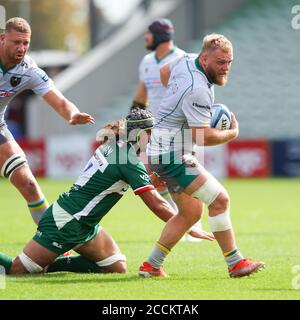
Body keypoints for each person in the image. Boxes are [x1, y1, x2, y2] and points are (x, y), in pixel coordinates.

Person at [0, 108, 214, 275]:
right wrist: (187, 226)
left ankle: (52, 262)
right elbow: (156, 204)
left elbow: (113, 179)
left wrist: (152, 181)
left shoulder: (116, 144)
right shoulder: (128, 159)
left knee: (117, 266)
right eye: (151, 134)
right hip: (67, 221)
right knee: (17, 270)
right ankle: (44, 261)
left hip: (84, 222)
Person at [139, 34, 265, 278]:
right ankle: (235, 263)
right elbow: (202, 137)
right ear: (204, 58)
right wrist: (231, 133)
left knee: (190, 213)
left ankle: (151, 266)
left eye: (229, 62)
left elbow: (164, 72)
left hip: (163, 150)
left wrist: (174, 101)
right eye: (220, 62)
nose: (225, 67)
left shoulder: (185, 58)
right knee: (220, 200)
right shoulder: (197, 90)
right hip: (172, 155)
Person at [0, 17, 95, 226]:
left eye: (25, 43)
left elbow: (60, 101)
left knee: (29, 184)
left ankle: (51, 241)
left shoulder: (28, 70)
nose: (21, 48)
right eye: (16, 42)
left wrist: (73, 113)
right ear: (2, 39)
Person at [131, 18, 202, 241]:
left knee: (186, 177)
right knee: (156, 177)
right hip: (155, 128)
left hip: (179, 127)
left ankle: (193, 225)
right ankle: (181, 222)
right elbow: (142, 94)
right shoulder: (146, 61)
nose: (146, 37)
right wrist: (133, 122)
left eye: (149, 34)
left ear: (159, 35)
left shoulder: (183, 60)